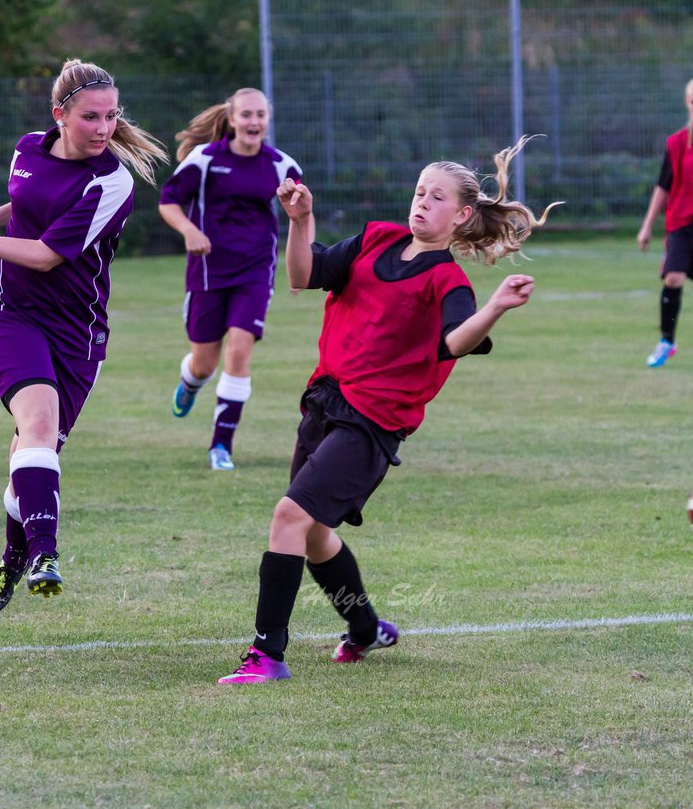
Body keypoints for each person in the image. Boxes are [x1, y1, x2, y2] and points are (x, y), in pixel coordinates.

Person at [218, 136, 559, 683]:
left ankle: (267, 654)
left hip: (372, 423)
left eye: (437, 197)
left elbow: (454, 342)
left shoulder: (448, 279)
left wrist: (495, 307)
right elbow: (303, 277)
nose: (422, 201)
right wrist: (301, 221)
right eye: (420, 191)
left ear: (463, 215)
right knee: (310, 533)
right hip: (325, 402)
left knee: (288, 517)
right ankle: (366, 628)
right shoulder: (376, 239)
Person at [0, 59, 167, 619]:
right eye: (91, 117)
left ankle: (11, 562)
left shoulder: (112, 183)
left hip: (77, 335)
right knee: (35, 427)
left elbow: (43, 254)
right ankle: (44, 558)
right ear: (59, 116)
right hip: (11, 313)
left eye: (112, 116)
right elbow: (31, 200)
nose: (105, 128)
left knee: (29, 463)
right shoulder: (27, 148)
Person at [159, 89, 303, 471]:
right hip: (208, 272)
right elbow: (168, 201)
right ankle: (190, 382)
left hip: (255, 272)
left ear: (267, 119)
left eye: (260, 115)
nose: (254, 122)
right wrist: (189, 231)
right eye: (247, 115)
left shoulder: (282, 166)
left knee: (238, 351)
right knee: (204, 364)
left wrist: (300, 265)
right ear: (233, 119)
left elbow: (300, 217)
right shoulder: (205, 159)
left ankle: (220, 445)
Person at [637, 78, 693, 368]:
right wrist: (647, 225)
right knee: (673, 278)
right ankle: (666, 343)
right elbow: (663, 186)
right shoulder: (677, 143)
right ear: (688, 103)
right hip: (682, 224)